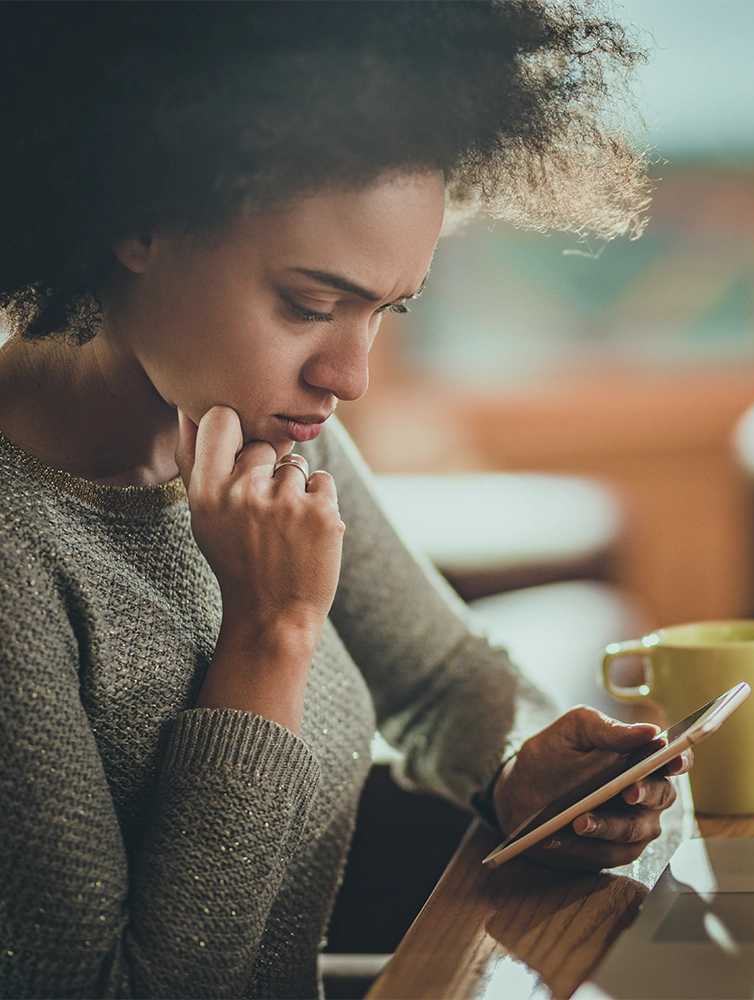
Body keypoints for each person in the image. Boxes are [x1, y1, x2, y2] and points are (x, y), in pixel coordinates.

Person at [0, 1, 689, 997]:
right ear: (134, 217)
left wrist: (517, 772)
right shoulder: (19, 552)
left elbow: (441, 677)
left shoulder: (254, 422)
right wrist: (268, 637)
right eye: (310, 304)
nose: (349, 375)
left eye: (384, 310)